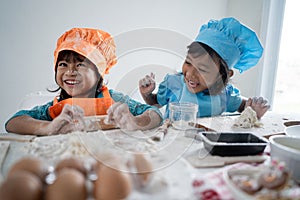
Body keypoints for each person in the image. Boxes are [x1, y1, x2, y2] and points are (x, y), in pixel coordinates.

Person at [5, 28, 163, 135]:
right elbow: (13, 122)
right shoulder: (56, 108)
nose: (70, 72)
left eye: (80, 65)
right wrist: (48, 127)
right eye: (63, 65)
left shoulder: (115, 100)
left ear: (99, 72)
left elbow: (155, 114)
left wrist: (135, 121)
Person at [139, 17, 270, 119]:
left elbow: (243, 106)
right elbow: (155, 102)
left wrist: (254, 109)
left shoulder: (225, 95)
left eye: (202, 69)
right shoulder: (174, 83)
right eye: (188, 62)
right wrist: (147, 93)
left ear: (224, 75)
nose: (190, 74)